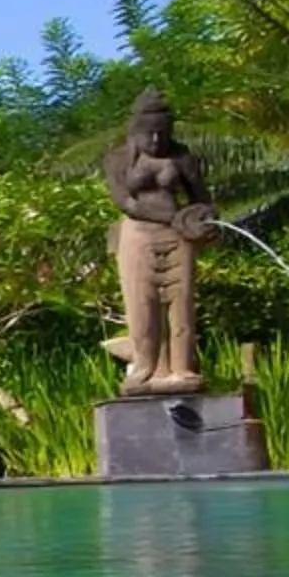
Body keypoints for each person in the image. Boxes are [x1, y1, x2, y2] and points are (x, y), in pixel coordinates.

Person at [101, 88, 218, 395]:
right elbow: (126, 202)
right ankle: (145, 368)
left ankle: (181, 367)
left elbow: (202, 200)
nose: (155, 141)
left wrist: (201, 219)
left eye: (162, 134)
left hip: (179, 237)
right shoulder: (118, 159)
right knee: (142, 304)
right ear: (135, 132)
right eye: (149, 134)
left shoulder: (181, 158)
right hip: (138, 234)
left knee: (181, 304)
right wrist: (171, 218)